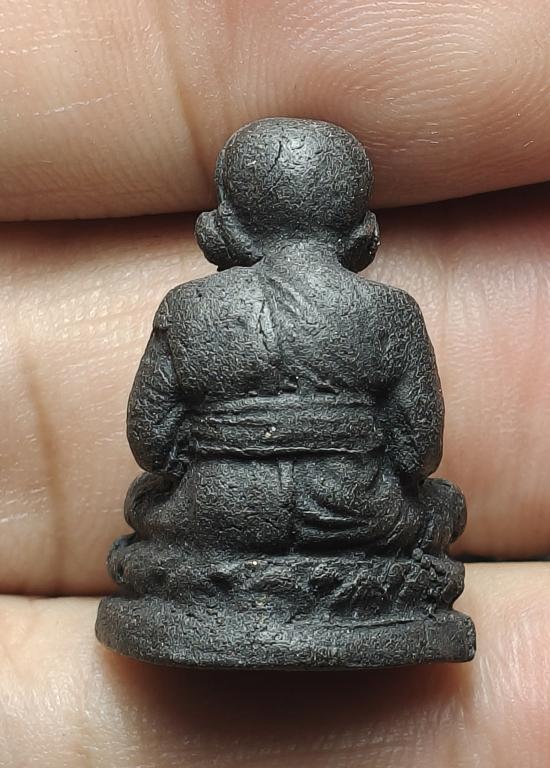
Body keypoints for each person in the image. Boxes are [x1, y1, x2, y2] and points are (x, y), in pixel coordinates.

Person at [1, 3, 549, 766]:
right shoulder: (388, 311)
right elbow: (418, 451)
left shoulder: (190, 307)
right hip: (356, 513)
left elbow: (150, 441)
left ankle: (213, 586)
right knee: (441, 511)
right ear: (361, 227)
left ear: (225, 223)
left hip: (216, 511)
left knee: (145, 515)